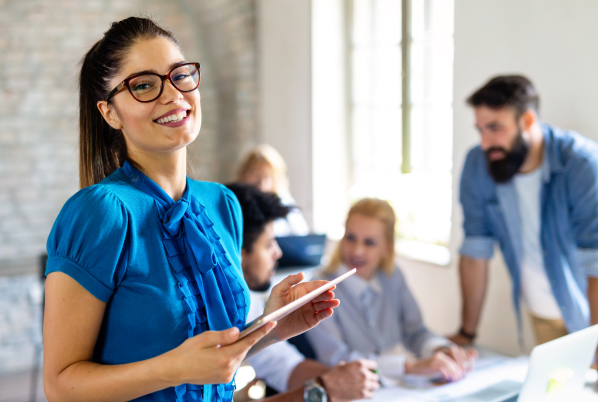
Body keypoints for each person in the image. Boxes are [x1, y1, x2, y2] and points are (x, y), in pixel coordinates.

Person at [42, 17, 339, 402]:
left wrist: (275, 325)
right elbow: (60, 386)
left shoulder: (224, 204)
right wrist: (173, 367)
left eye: (180, 75)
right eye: (144, 85)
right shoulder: (100, 212)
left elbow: (213, 361)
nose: (173, 94)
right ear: (110, 113)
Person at [449, 75, 598, 389]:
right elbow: (475, 251)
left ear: (528, 119)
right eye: (480, 129)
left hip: (594, 315)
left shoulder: (582, 164)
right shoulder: (479, 166)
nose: (485, 143)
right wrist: (466, 334)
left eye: (495, 128)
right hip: (541, 317)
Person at [226, 183, 379, 401]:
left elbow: (282, 364)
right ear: (239, 253)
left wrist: (348, 379)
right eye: (269, 244)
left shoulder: (248, 301)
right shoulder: (200, 320)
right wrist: (323, 390)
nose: (278, 253)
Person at [306, 198, 477, 382]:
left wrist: (440, 349)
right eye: (351, 238)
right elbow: (337, 360)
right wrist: (408, 367)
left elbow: (415, 331)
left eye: (369, 243)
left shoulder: (392, 277)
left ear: (387, 247)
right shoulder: (320, 290)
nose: (357, 251)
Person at [236, 144, 309, 237]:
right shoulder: (234, 201)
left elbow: (302, 235)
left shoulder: (284, 202)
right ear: (243, 173)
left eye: (267, 177)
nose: (261, 183)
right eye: (256, 175)